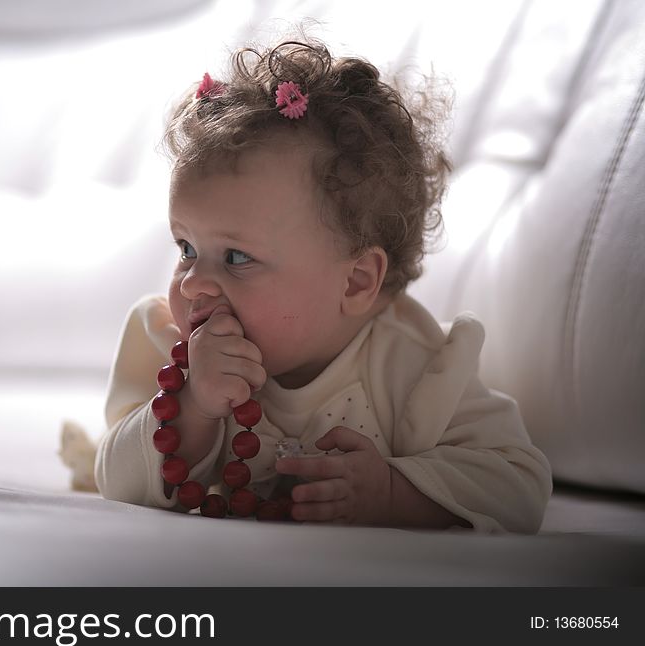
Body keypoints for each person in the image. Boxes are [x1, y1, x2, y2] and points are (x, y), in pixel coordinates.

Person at [81, 37, 551, 532]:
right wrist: (193, 408)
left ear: (355, 282)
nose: (195, 283)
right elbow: (115, 480)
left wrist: (393, 494)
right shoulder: (172, 351)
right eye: (186, 249)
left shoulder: (418, 369)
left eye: (237, 257)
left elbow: (519, 484)